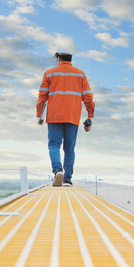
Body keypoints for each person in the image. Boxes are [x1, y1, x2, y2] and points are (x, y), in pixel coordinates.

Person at [36, 52, 95, 187]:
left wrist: (39, 115)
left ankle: (57, 171)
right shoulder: (80, 74)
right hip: (72, 116)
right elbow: (88, 97)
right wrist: (90, 116)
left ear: (58, 59)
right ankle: (67, 178)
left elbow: (42, 96)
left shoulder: (50, 73)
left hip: (54, 116)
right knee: (69, 148)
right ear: (70, 60)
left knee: (54, 145)